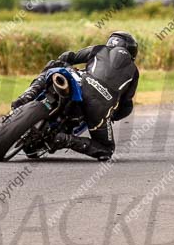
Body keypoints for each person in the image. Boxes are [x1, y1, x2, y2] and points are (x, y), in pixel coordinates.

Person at [11, 31, 140, 160]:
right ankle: (64, 139)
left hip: (80, 84)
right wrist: (113, 116)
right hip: (99, 109)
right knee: (106, 149)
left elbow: (70, 56)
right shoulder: (134, 71)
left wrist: (61, 62)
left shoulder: (99, 49)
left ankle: (27, 96)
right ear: (132, 51)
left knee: (54, 65)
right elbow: (126, 104)